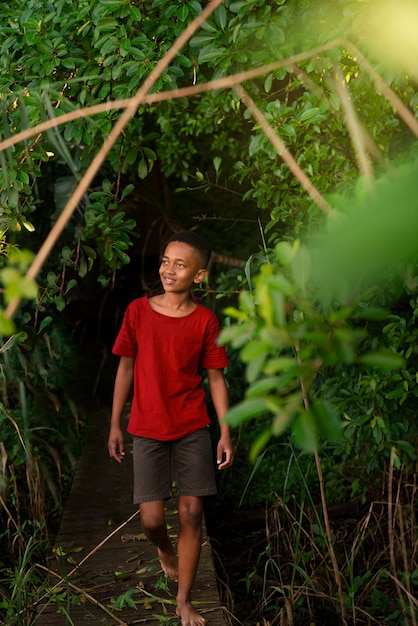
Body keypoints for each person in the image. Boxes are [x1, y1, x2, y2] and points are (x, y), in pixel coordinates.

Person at [108, 230, 234, 626]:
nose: (168, 269)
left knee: (192, 514)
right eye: (165, 260)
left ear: (199, 276)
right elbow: (125, 366)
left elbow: (215, 378)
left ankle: (184, 601)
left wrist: (225, 431)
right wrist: (115, 423)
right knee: (151, 520)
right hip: (145, 427)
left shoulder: (205, 321)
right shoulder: (138, 312)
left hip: (193, 426)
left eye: (180, 264)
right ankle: (165, 552)